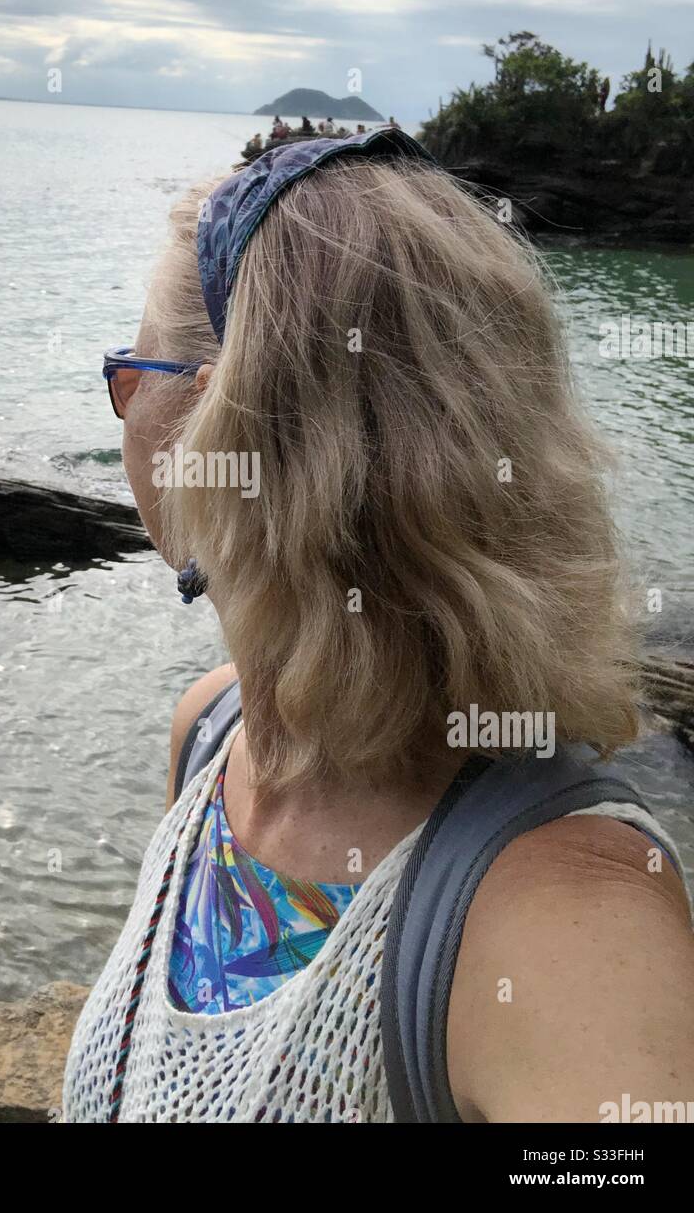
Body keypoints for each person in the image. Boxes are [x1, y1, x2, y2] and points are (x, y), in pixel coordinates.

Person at [68, 133, 694, 1122]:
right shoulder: (210, 741)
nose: (123, 412)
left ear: (227, 431)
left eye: (128, 372)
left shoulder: (571, 920)